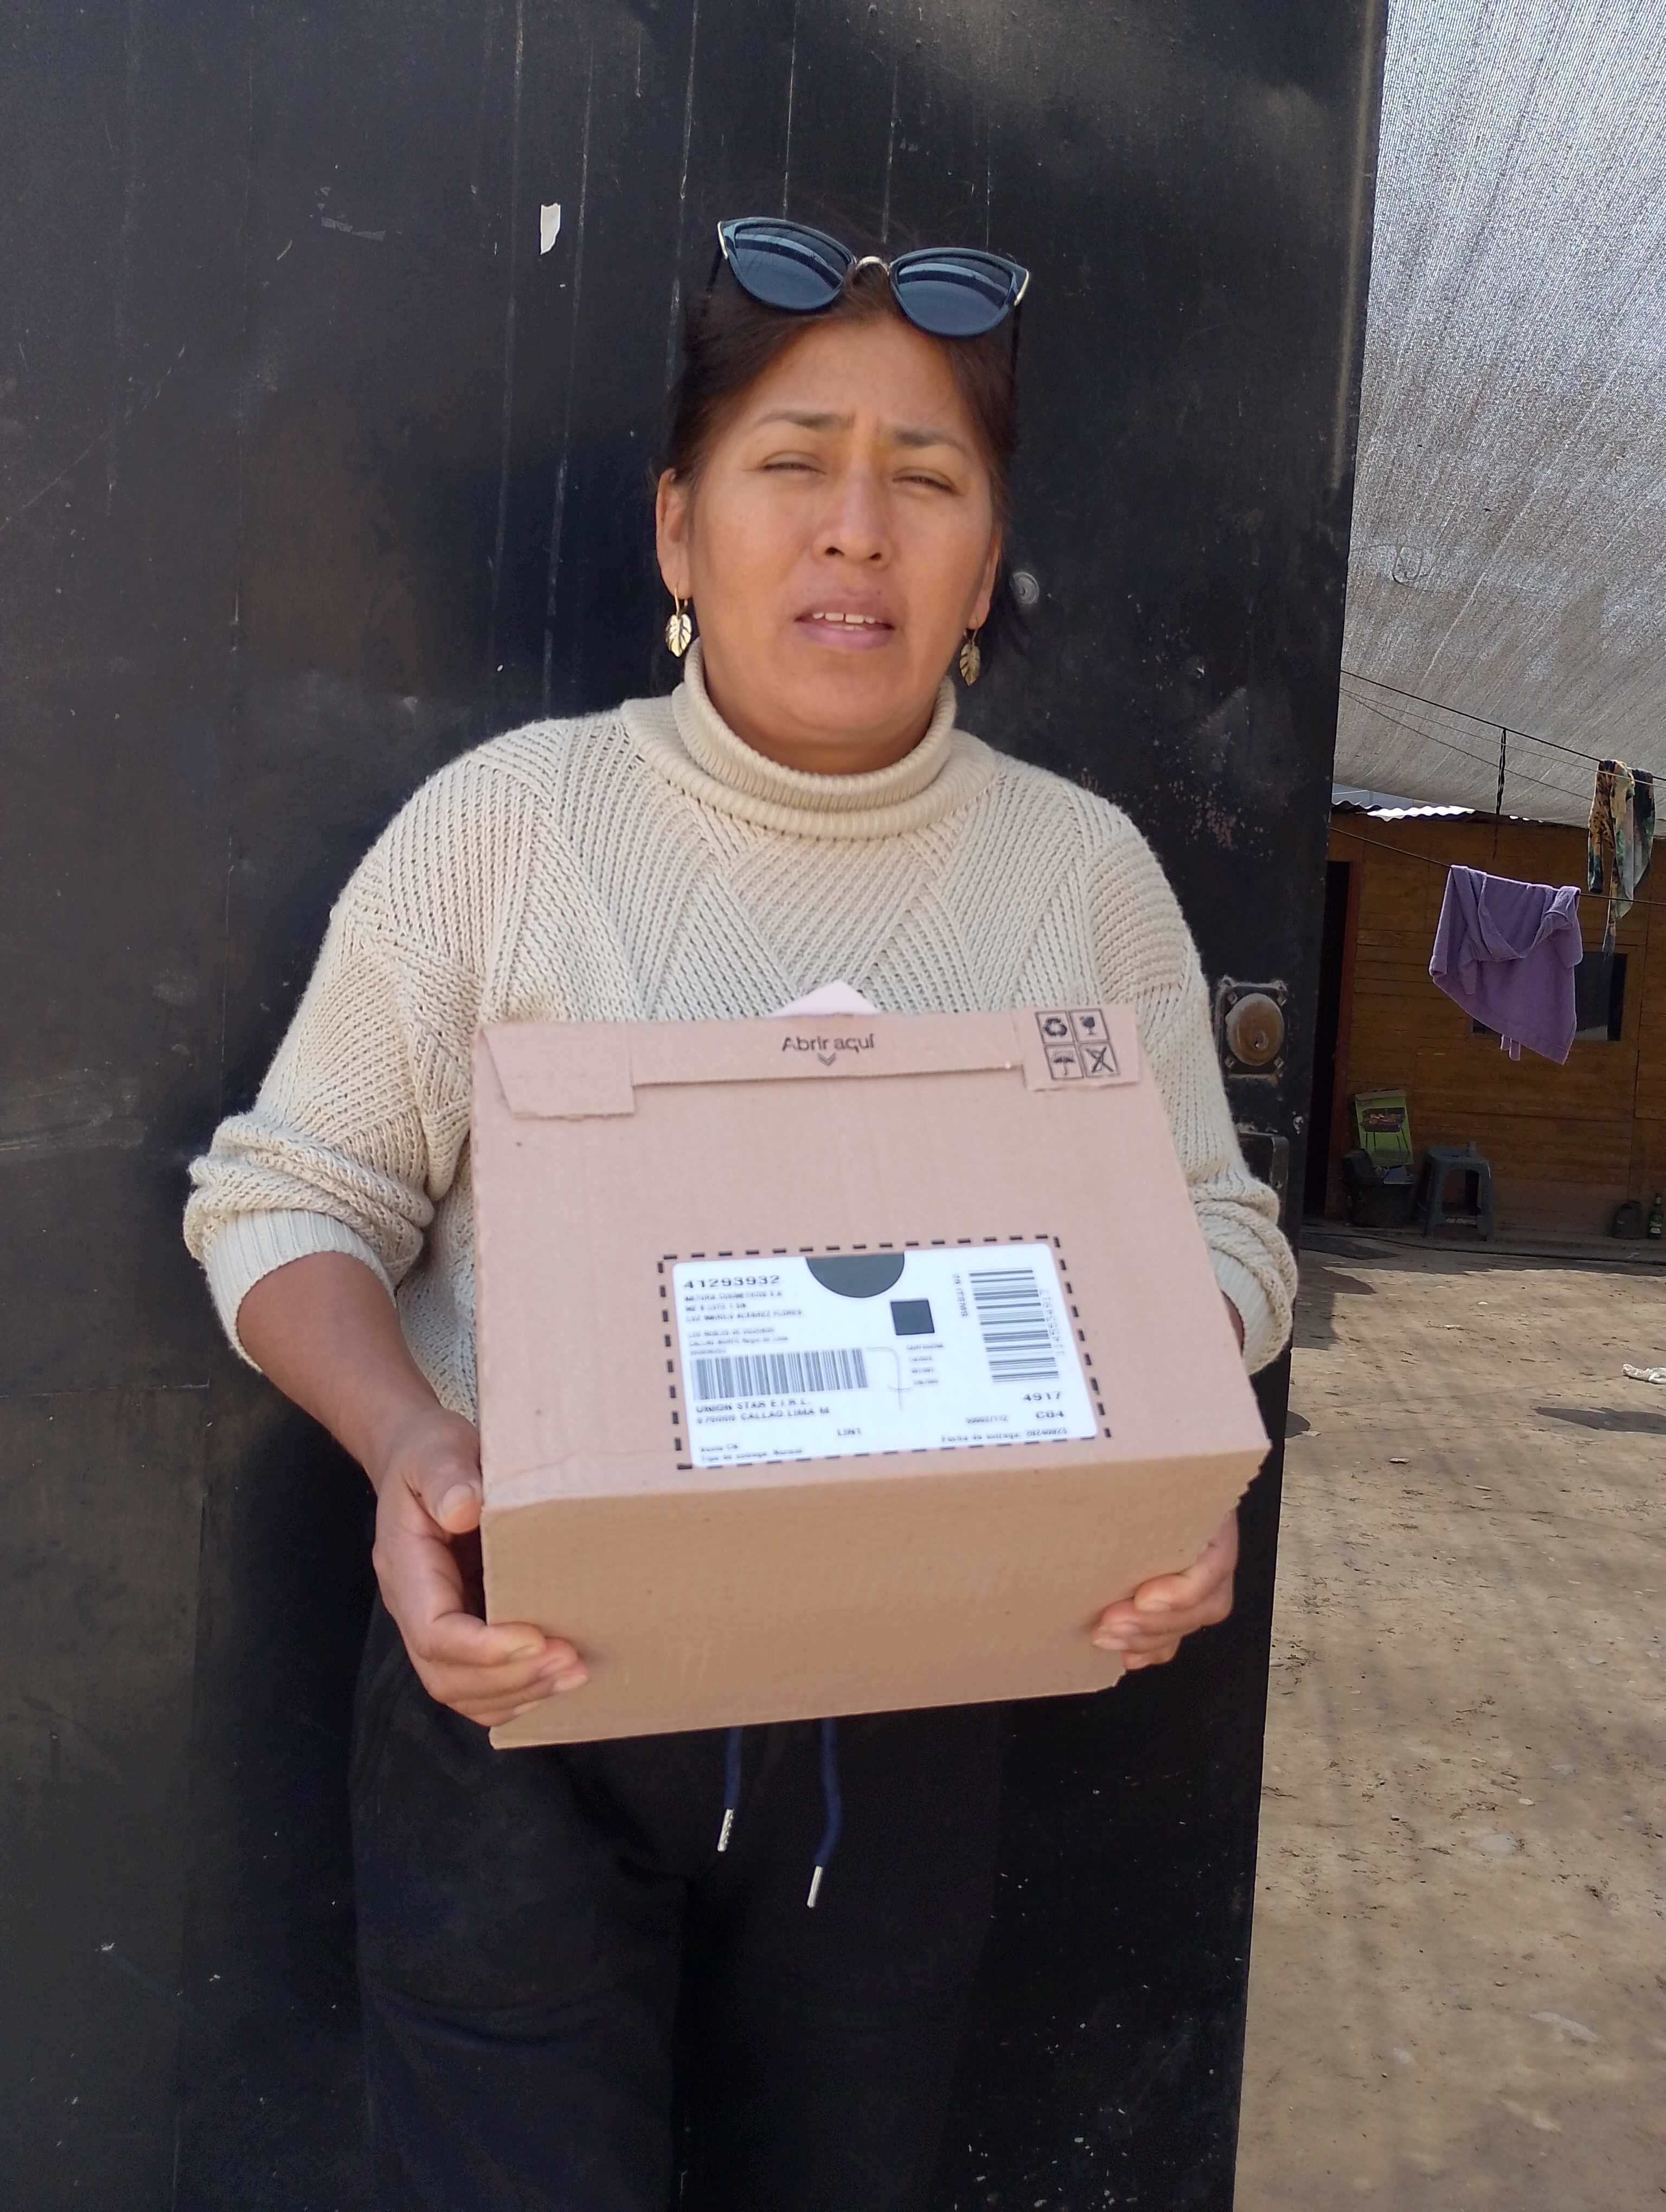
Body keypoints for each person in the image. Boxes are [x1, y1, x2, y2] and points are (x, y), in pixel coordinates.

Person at [184, 215, 1296, 2212]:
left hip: (915, 1691)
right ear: (679, 532)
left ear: (987, 565)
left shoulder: (1081, 880)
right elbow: (283, 1198)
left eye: (927, 478)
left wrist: (1162, 1460)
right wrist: (415, 1449)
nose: (857, 528)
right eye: (792, 463)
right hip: (522, 1678)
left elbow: (1213, 1236)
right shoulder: (508, 831)